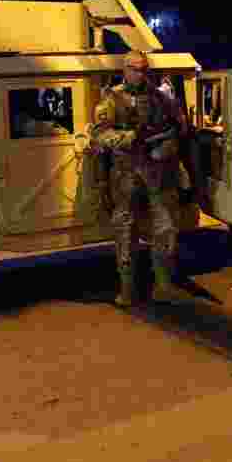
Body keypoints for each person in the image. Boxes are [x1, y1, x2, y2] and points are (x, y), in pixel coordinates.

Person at [93, 50, 191, 307]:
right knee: (125, 229)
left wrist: (167, 144)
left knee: (165, 227)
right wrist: (129, 138)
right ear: (124, 70)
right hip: (125, 171)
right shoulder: (112, 99)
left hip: (157, 169)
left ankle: (163, 286)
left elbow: (179, 126)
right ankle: (127, 289)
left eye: (144, 69)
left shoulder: (160, 98)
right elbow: (100, 135)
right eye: (134, 69)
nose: (140, 74)